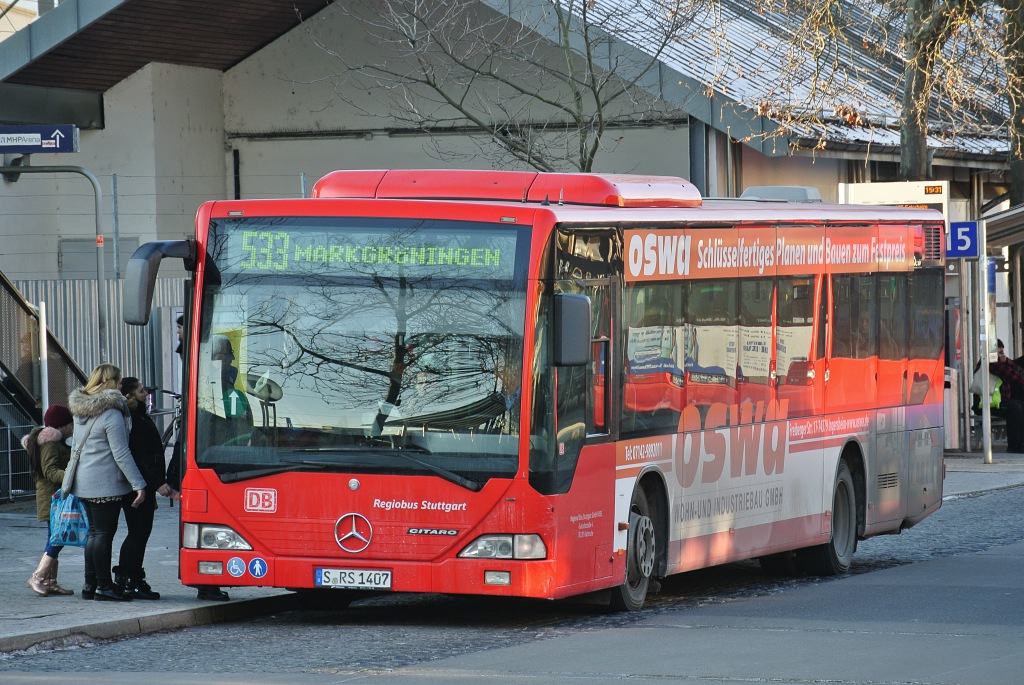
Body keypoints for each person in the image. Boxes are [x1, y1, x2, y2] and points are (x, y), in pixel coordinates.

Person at [68, 363, 147, 601]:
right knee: (103, 534)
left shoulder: (81, 410)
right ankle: (104, 586)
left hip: (84, 480)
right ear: (112, 382)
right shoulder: (111, 412)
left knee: (93, 533)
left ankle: (90, 584)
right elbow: (121, 453)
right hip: (104, 481)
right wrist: (138, 483)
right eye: (120, 381)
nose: (122, 385)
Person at [112, 377, 179, 600]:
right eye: (141, 391)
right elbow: (141, 456)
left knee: (138, 532)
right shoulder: (135, 419)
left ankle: (129, 576)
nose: (146, 395)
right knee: (138, 533)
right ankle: (131, 578)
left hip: (139, 483)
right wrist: (157, 482)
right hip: (138, 485)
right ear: (131, 395)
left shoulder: (137, 416)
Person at [24, 404, 76, 596]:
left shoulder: (55, 442)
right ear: (62, 426)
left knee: (56, 537)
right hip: (53, 499)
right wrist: (71, 475)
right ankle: (37, 577)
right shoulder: (50, 444)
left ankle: (50, 581)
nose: (73, 427)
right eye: (70, 424)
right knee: (56, 538)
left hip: (56, 498)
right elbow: (50, 471)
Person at [974, 339, 1024, 453]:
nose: (1002, 351)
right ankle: (1014, 444)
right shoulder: (991, 363)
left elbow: (1017, 368)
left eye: (1002, 349)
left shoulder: (998, 362)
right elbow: (1016, 376)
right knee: (1015, 408)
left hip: (997, 401)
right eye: (999, 349)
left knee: (1019, 405)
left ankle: (1019, 442)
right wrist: (1005, 362)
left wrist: (1006, 361)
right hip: (988, 403)